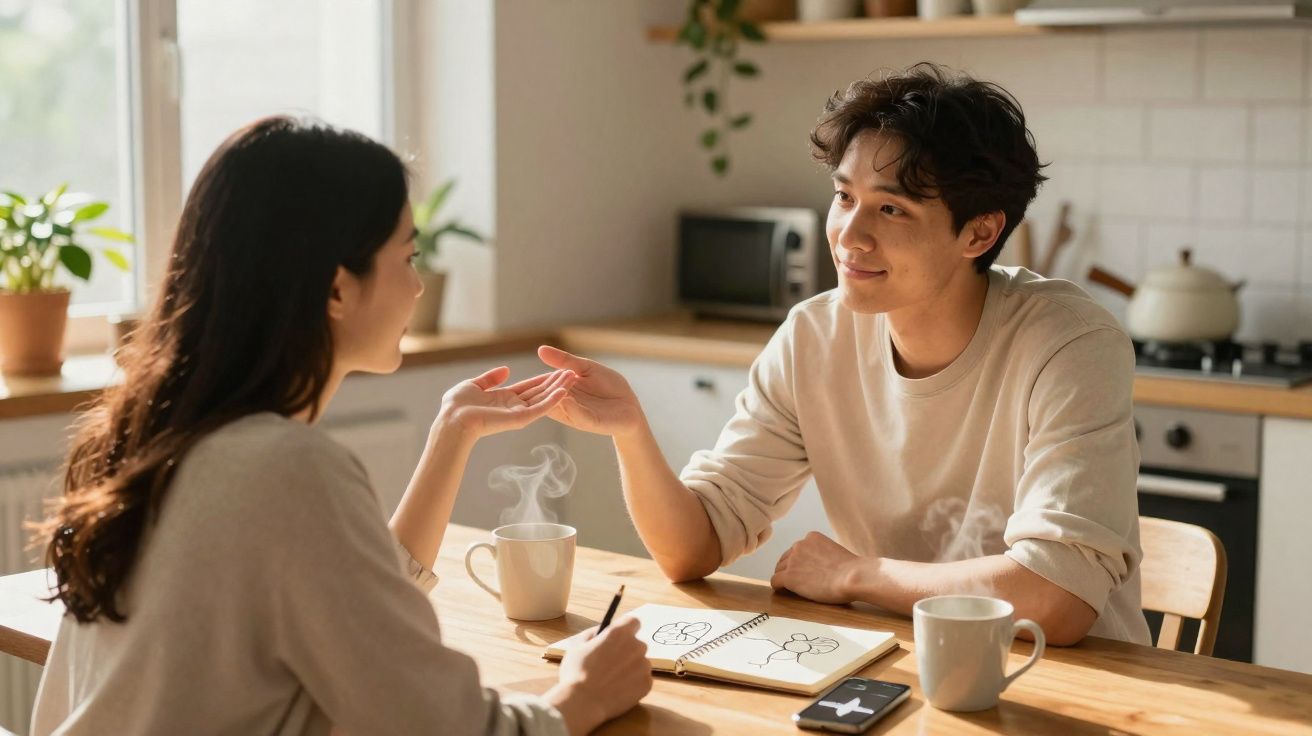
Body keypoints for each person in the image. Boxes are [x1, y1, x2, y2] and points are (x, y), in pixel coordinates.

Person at [31, 117, 651, 735]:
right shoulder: (283, 466)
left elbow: (348, 613)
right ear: (335, 289)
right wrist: (581, 695)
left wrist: (452, 433)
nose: (418, 287)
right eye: (407, 257)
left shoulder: (151, 439)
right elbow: (442, 726)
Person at [538, 63, 1151, 647]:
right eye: (844, 197)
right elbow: (692, 547)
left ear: (980, 232)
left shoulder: (1069, 343)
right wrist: (631, 433)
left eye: (891, 208)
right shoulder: (814, 336)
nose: (849, 236)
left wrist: (856, 574)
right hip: (893, 661)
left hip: (1073, 680)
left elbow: (1055, 596)